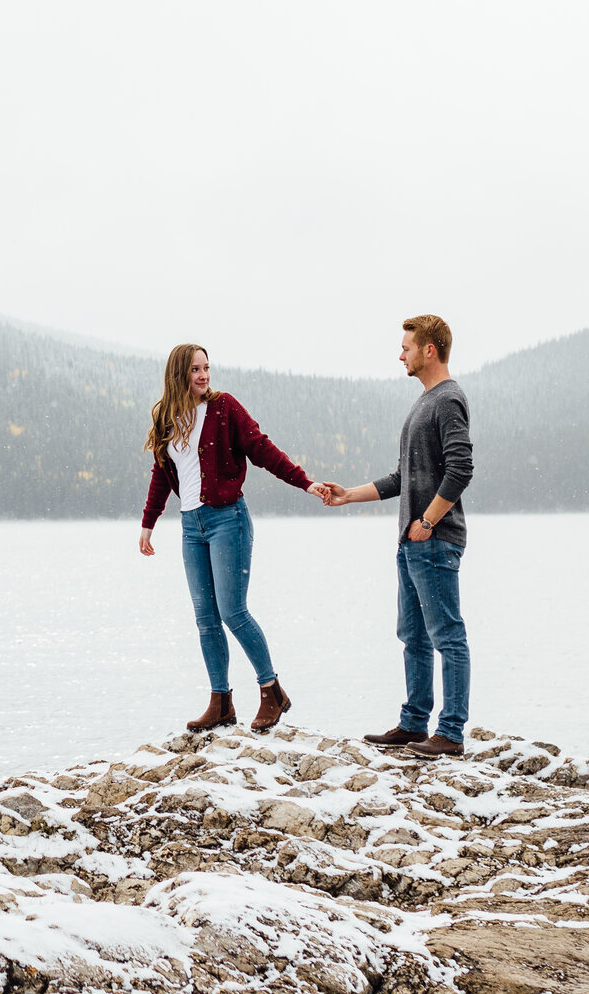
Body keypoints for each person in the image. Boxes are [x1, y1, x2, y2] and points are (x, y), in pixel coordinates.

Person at [137, 342, 323, 733]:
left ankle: (271, 690)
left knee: (232, 611)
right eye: (194, 370)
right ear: (178, 375)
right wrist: (149, 522)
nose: (203, 375)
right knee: (206, 619)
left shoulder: (225, 408)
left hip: (228, 520)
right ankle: (220, 702)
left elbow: (261, 448)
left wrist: (303, 483)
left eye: (206, 368)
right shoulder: (168, 420)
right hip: (191, 526)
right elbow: (161, 473)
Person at [313, 315, 474, 757]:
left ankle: (451, 733)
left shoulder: (448, 399)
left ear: (430, 350)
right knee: (414, 636)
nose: (399, 354)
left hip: (433, 540)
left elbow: (461, 469)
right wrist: (349, 496)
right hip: (411, 543)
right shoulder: (424, 402)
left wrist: (427, 522)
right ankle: (413, 724)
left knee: (447, 636)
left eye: (406, 346)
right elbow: (401, 477)